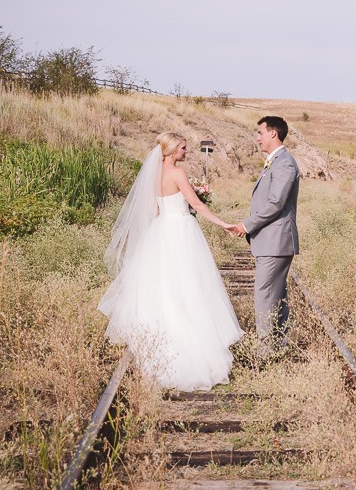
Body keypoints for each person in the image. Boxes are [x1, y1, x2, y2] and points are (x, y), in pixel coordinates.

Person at [99, 132, 244, 391]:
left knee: (164, 288)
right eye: (183, 148)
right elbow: (196, 205)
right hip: (181, 231)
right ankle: (192, 349)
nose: (186, 152)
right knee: (189, 286)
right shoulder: (178, 174)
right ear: (172, 150)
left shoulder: (153, 175)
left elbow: (154, 209)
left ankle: (158, 348)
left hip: (161, 230)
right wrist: (224, 223)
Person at [232, 116, 300, 355]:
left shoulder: (284, 164)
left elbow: (275, 203)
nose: (257, 137)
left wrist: (246, 225)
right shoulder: (276, 162)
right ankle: (278, 345)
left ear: (273, 133)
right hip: (272, 241)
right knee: (276, 294)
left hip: (276, 241)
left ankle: (264, 350)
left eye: (260, 132)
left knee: (264, 293)